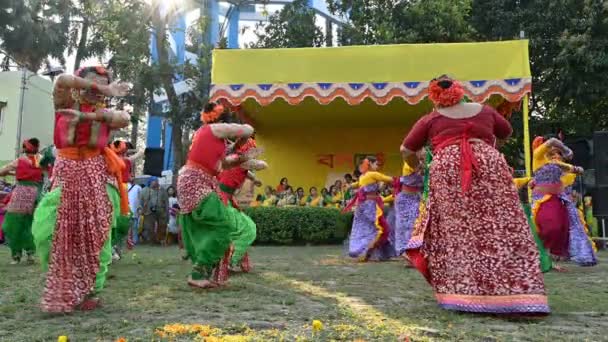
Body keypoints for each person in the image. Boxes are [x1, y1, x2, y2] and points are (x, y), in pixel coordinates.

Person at [400, 75, 549, 315]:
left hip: (448, 170)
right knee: (500, 228)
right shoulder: (485, 110)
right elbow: (506, 132)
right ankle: (519, 293)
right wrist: (486, 147)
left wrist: (418, 164)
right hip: (490, 167)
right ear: (460, 91)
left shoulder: (432, 118)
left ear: (434, 96)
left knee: (458, 232)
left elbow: (406, 149)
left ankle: (464, 293)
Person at [32, 65, 131, 312]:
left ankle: (90, 292)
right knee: (51, 230)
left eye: (103, 83)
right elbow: (63, 80)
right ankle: (64, 285)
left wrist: (90, 117)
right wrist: (103, 87)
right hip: (66, 171)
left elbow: (124, 119)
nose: (97, 88)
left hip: (95, 171)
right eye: (91, 82)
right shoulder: (64, 100)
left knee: (96, 234)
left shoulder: (105, 112)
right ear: (80, 83)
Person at [177, 102, 254, 289]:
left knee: (212, 227)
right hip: (196, 181)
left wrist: (240, 157)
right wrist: (243, 137)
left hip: (196, 181)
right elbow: (247, 129)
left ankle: (199, 273)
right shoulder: (214, 128)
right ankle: (198, 273)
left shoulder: (212, 137)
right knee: (223, 226)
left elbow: (222, 165)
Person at [531, 136, 597, 266]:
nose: (556, 154)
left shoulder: (559, 165)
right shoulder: (538, 156)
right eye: (553, 152)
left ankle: (565, 253)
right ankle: (545, 252)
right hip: (542, 200)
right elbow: (552, 141)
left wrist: (576, 169)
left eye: (558, 153)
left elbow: (576, 170)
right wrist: (566, 150)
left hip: (558, 199)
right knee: (550, 226)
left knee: (566, 225)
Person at [217, 137, 267, 272]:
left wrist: (254, 178)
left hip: (225, 199)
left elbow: (245, 170)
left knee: (238, 230)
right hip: (222, 200)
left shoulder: (238, 161)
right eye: (252, 150)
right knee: (248, 230)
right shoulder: (237, 159)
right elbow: (262, 165)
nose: (254, 152)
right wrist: (252, 160)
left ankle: (234, 261)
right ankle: (230, 263)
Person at [0, 138, 43, 264]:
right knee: (29, 224)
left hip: (21, 195)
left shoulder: (20, 160)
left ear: (25, 148)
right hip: (36, 194)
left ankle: (16, 254)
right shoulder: (42, 159)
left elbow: (2, 171)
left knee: (11, 224)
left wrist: (13, 173)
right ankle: (30, 253)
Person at [343, 156, 395, 261]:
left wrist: (349, 186)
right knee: (380, 229)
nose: (377, 166)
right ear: (370, 164)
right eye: (376, 164)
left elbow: (357, 184)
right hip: (370, 206)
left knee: (363, 229)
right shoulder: (373, 174)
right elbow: (389, 179)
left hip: (361, 207)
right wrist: (403, 180)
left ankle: (362, 251)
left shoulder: (363, 176)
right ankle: (372, 252)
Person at [392, 158, 424, 258]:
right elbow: (419, 169)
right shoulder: (410, 162)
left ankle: (414, 251)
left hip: (416, 198)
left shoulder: (422, 162)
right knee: (406, 226)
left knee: (416, 224)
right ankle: (406, 251)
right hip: (405, 199)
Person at [139, 177, 169, 245]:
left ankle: (161, 240)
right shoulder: (144, 190)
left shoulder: (162, 190)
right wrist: (140, 209)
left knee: (162, 226)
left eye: (156, 181)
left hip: (161, 211)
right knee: (149, 227)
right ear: (150, 182)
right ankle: (152, 241)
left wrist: (167, 213)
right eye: (154, 181)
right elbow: (140, 201)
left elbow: (166, 203)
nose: (155, 182)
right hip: (148, 211)